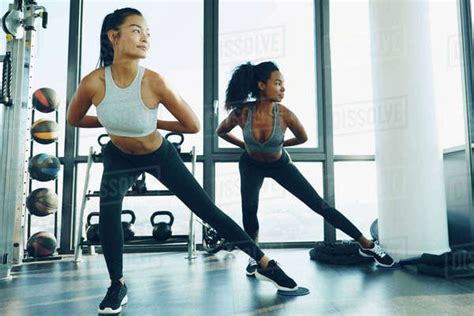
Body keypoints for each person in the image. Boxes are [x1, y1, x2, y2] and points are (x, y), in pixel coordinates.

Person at [67, 9, 300, 315]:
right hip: (118, 157)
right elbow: (74, 119)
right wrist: (114, 123)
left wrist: (149, 122)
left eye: (147, 32)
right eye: (136, 30)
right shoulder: (93, 83)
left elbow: (192, 125)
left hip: (160, 156)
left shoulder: (154, 82)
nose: (145, 37)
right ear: (114, 36)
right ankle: (116, 285)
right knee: (108, 212)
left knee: (207, 210)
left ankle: (265, 263)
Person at [216, 61, 395, 276]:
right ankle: (256, 258)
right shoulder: (241, 113)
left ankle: (367, 245)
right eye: (278, 83)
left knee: (319, 205)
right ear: (262, 86)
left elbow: (302, 137)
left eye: (283, 84)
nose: (283, 89)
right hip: (251, 165)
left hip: (280, 165)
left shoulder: (285, 115)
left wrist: (281, 145)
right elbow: (221, 131)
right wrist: (245, 146)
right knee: (249, 211)